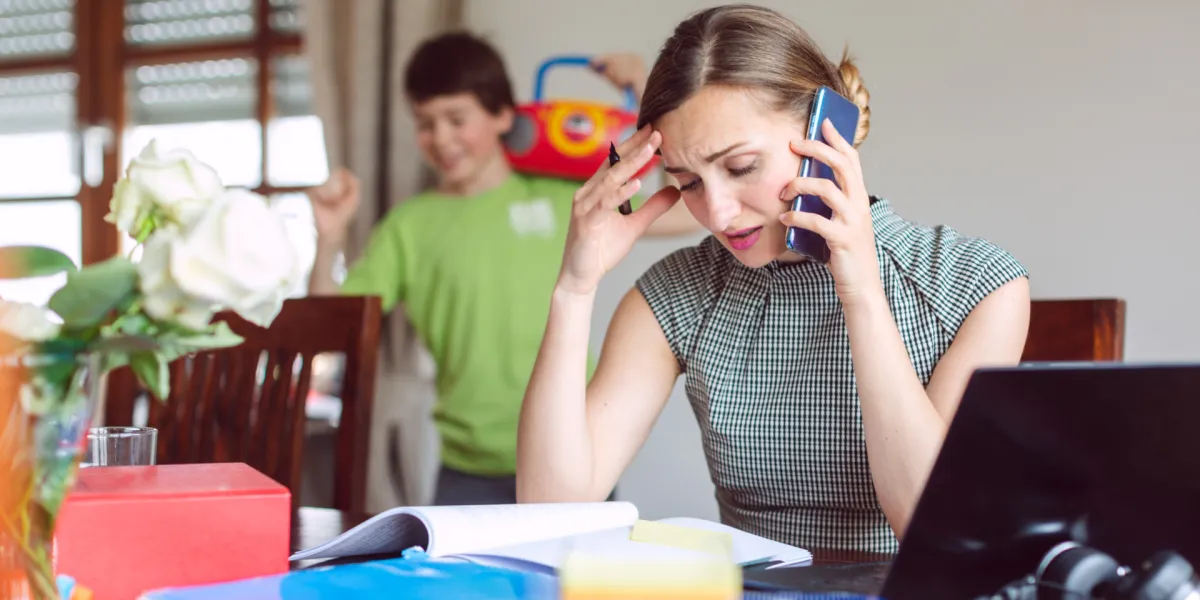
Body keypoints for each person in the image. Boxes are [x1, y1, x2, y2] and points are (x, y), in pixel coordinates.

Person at [515, 4, 1031, 554]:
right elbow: (551, 509)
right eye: (688, 182)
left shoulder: (977, 285)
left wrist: (859, 290)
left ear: (828, 133)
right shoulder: (676, 294)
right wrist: (574, 289)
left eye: (740, 168)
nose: (716, 212)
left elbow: (931, 527)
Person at [307, 31, 699, 506]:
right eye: (426, 123)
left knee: (581, 584)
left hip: (574, 458)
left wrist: (643, 91)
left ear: (502, 116)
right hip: (465, 473)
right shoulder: (407, 227)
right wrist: (328, 236)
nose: (442, 138)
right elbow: (326, 330)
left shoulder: (565, 197)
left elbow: (675, 209)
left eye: (456, 119)